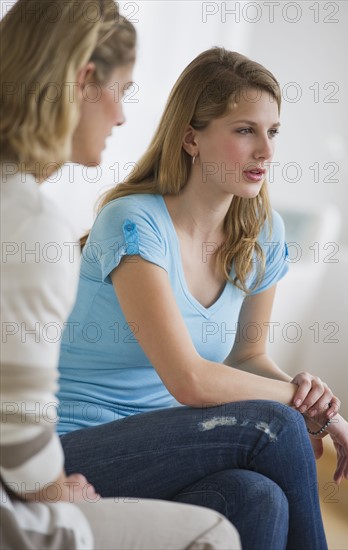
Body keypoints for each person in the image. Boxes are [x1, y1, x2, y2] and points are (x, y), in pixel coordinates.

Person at [55, 45, 348, 549]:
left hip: (184, 444)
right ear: (191, 138)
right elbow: (190, 381)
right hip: (80, 449)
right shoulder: (133, 222)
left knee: (258, 496)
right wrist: (311, 412)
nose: (266, 150)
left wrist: (303, 392)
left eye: (272, 131)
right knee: (275, 426)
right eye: (245, 130)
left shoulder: (263, 231)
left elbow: (248, 356)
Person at [0, 2, 242, 549]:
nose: (123, 118)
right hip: (27, 480)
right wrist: (59, 494)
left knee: (251, 493)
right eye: (123, 91)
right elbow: (16, 425)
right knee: (217, 531)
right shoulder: (31, 223)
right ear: (85, 81)